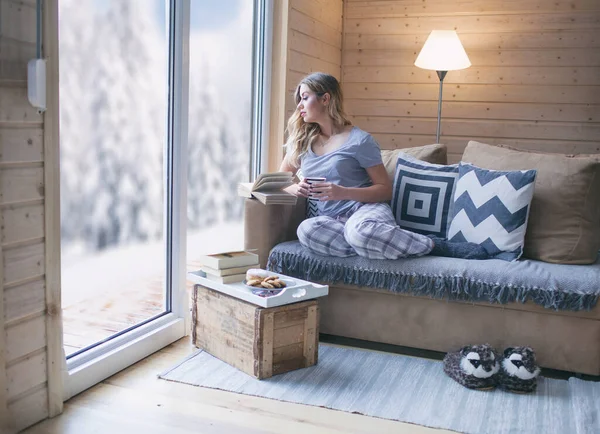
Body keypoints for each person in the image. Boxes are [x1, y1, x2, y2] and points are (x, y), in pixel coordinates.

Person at [279, 72, 435, 260]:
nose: (299, 105)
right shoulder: (301, 141)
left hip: (365, 211)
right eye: (299, 99)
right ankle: (370, 247)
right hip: (331, 221)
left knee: (361, 231)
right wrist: (296, 188)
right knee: (306, 230)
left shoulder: (360, 140)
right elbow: (281, 181)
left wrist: (343, 192)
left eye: (304, 98)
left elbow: (385, 190)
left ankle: (433, 245)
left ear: (325, 99)